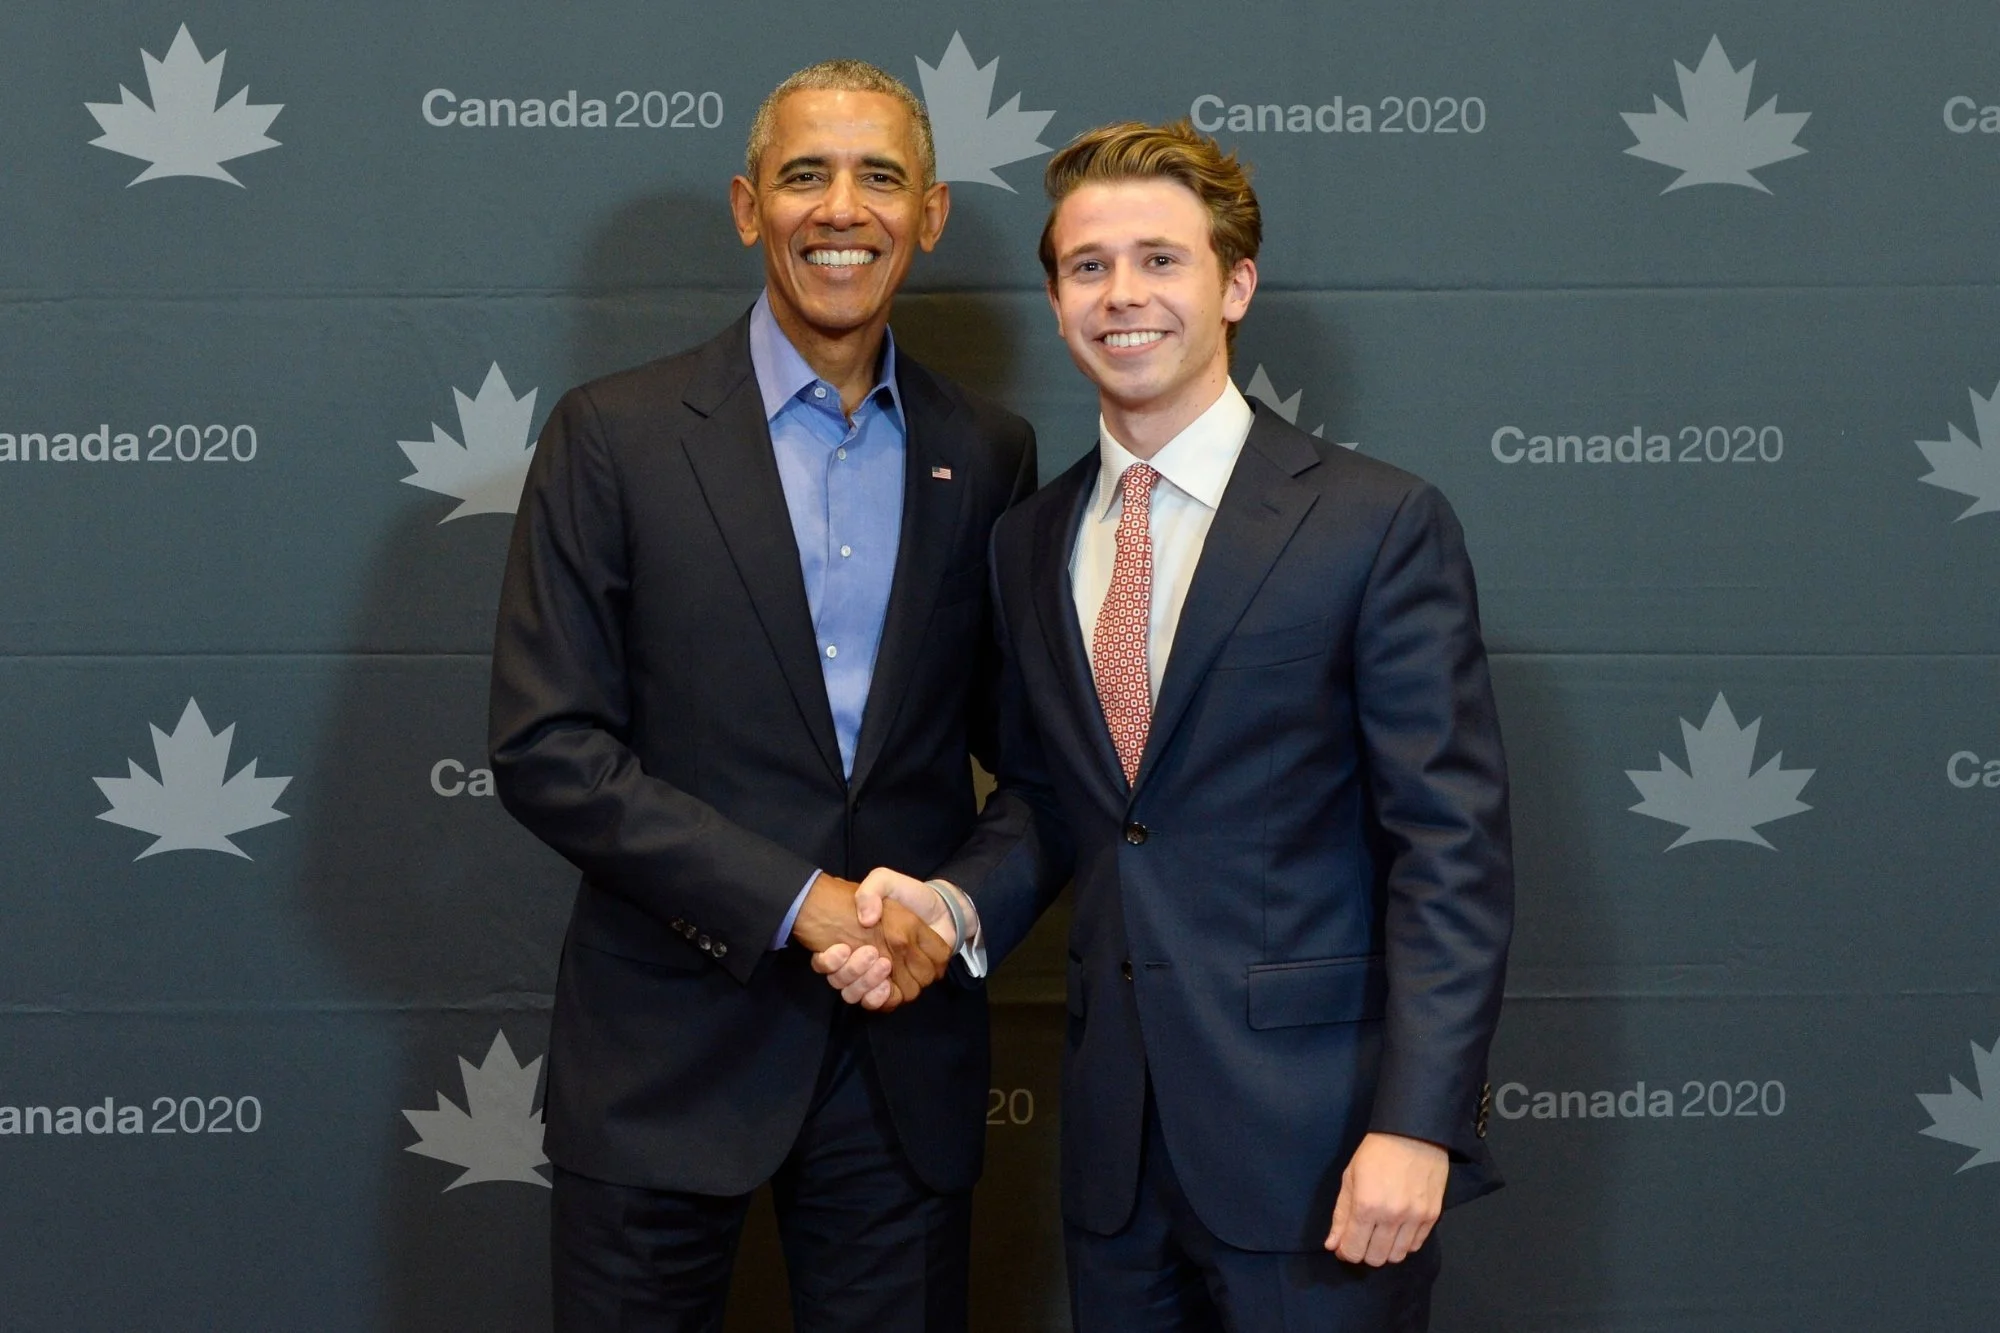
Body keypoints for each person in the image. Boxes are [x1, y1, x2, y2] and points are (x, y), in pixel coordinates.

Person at [815, 120, 1513, 1329]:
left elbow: (1450, 854)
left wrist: (1415, 1122)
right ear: (1053, 297)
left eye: (1159, 259)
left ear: (1233, 284)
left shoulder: (1373, 522)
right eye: (1088, 267)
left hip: (1324, 1156)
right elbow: (1052, 799)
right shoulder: (1026, 541)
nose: (1121, 295)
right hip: (1114, 1159)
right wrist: (947, 905)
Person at [488, 60, 1037, 1332]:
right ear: (748, 207)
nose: (840, 209)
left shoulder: (988, 451)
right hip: (662, 1057)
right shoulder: (610, 437)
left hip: (900, 1061)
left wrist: (941, 917)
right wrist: (798, 904)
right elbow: (546, 744)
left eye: (879, 177)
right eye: (805, 175)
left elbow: (1037, 773)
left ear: (932, 214)